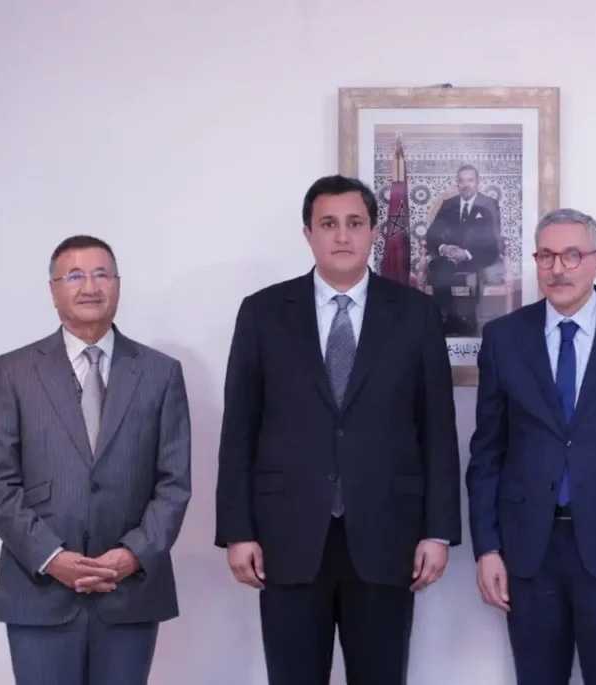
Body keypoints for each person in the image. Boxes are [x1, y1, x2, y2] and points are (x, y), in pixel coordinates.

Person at [215, 174, 462, 685]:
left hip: (387, 533)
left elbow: (437, 429)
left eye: (355, 223)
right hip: (287, 535)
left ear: (373, 231)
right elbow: (239, 428)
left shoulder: (415, 314)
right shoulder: (263, 312)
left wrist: (438, 531)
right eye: (328, 224)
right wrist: (238, 531)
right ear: (308, 233)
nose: (342, 235)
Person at [466, 208, 596, 685]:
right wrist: (487, 547)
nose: (557, 268)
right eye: (546, 256)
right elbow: (487, 453)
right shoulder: (503, 338)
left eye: (572, 255)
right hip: (529, 551)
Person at [0, 235, 192, 685]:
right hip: (38, 589)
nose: (90, 287)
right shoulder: (14, 371)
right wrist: (51, 557)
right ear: (53, 290)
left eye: (101, 274)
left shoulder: (160, 372)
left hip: (130, 590)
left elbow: (174, 482)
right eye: (74, 276)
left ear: (118, 284)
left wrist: (134, 554)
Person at [424, 164, 502, 335]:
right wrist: (444, 247)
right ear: (457, 183)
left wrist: (466, 254)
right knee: (437, 269)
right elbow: (432, 234)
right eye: (461, 181)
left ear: (478, 182)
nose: (465, 185)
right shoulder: (448, 204)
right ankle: (453, 319)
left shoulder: (489, 204)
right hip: (450, 257)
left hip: (477, 256)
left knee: (475, 275)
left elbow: (493, 240)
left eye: (470, 180)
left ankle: (470, 323)